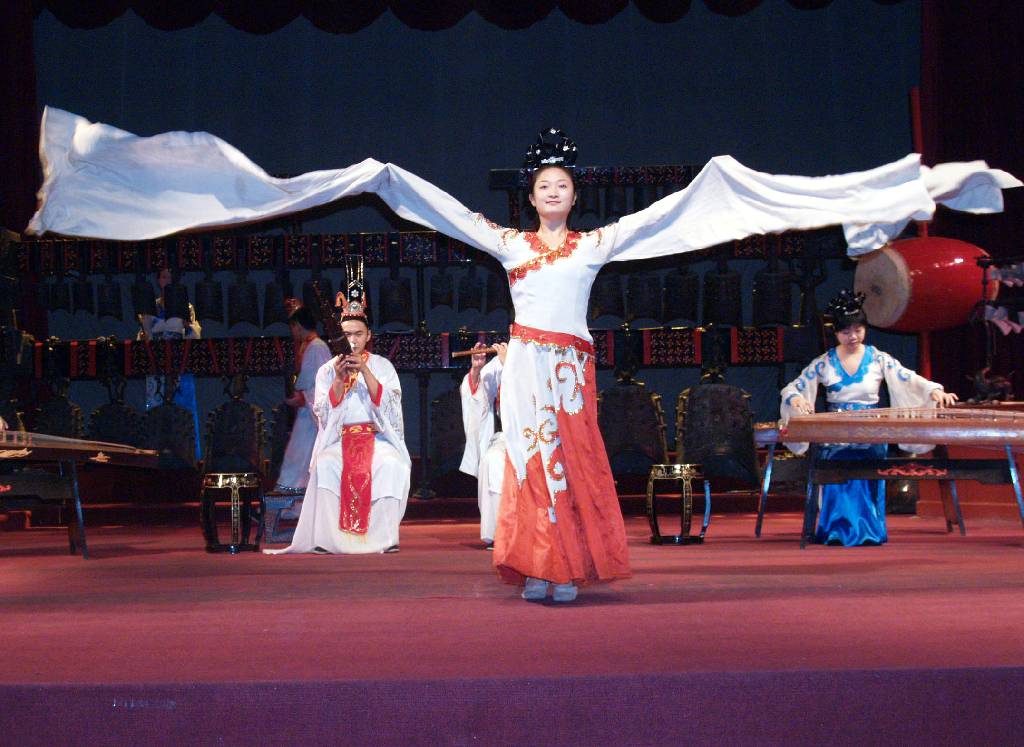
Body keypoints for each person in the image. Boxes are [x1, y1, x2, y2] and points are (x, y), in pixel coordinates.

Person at [26, 110, 1022, 597]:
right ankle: (541, 569)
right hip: (529, 359)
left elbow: (682, 214)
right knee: (529, 466)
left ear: (573, 195)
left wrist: (715, 183)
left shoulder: (594, 242)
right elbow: (432, 207)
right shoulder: (506, 243)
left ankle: (568, 567)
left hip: (570, 363)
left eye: (560, 186)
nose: (551, 194)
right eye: (541, 186)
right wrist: (383, 176)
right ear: (528, 196)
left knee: (569, 462)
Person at [779, 290, 958, 546]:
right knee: (836, 470)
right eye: (846, 332)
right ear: (836, 333)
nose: (853, 336)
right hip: (835, 432)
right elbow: (793, 387)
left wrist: (934, 390)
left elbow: (908, 378)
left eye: (858, 330)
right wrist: (797, 399)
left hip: (871, 431)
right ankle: (836, 530)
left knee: (866, 470)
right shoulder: (824, 362)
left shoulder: (878, 359)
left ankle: (868, 530)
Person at [265, 287, 410, 555]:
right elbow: (322, 412)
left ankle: (384, 538)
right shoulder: (327, 370)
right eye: (347, 335)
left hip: (376, 438)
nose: (352, 340)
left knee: (391, 464)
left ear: (368, 336)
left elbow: (390, 406)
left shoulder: (382, 366)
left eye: (358, 334)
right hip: (340, 438)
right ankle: (329, 539)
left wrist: (364, 371)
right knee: (326, 463)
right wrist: (340, 380)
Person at [138, 267, 202, 459]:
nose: (167, 280)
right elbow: (144, 335)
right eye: (164, 276)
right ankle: (155, 455)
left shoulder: (186, 307)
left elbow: (195, 334)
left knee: (183, 410)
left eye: (170, 277)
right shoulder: (152, 307)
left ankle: (187, 455)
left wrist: (186, 327)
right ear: (159, 280)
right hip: (157, 364)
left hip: (180, 365)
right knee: (156, 409)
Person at [273, 302, 332, 494]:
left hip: (312, 414)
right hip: (308, 412)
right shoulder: (312, 346)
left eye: (292, 326)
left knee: (298, 457)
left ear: (298, 325)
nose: (292, 332)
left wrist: (301, 398)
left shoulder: (316, 347)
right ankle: (292, 500)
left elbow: (321, 382)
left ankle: (290, 500)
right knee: (299, 458)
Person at [459, 341, 508, 549]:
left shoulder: (541, 353)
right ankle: (499, 533)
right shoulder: (497, 363)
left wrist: (509, 366)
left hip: (539, 435)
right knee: (491, 460)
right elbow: (477, 400)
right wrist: (477, 371)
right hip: (509, 437)